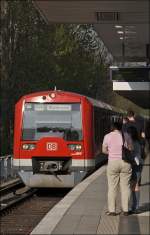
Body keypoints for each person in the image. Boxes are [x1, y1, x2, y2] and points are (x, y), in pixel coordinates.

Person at [102, 121, 132, 216]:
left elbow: (104, 150)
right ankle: (126, 210)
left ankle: (112, 211)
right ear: (120, 128)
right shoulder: (126, 135)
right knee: (125, 186)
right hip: (126, 163)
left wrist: (111, 153)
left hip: (113, 163)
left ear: (112, 127)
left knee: (112, 187)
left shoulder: (107, 136)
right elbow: (131, 148)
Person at [127, 126, 143, 213]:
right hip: (139, 164)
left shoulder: (131, 142)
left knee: (133, 185)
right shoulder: (138, 141)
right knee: (135, 185)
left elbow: (131, 154)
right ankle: (135, 207)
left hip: (134, 164)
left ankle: (134, 207)